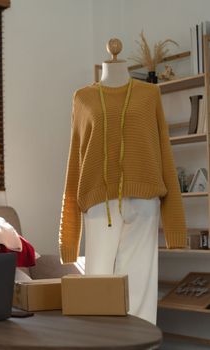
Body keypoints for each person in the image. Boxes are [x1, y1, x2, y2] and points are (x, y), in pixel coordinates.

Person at [59, 38, 186, 325]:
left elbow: (164, 155)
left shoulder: (149, 95)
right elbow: (75, 163)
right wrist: (69, 238)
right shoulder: (82, 98)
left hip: (145, 205)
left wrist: (176, 226)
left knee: (140, 292)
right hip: (98, 205)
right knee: (97, 289)